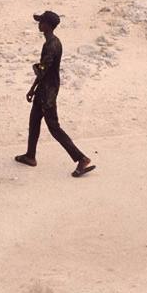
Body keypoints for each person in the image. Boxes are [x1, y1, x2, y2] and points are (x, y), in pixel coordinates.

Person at [15, 10, 92, 176]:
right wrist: (32, 88)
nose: (39, 24)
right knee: (34, 122)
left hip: (48, 93)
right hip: (43, 90)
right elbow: (45, 72)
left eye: (41, 22)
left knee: (54, 128)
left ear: (48, 26)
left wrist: (35, 68)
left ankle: (81, 158)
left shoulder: (52, 45)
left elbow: (43, 70)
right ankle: (30, 156)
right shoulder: (49, 42)